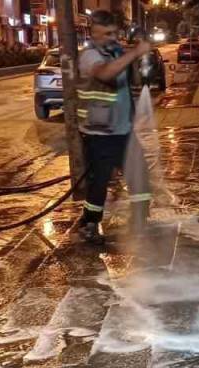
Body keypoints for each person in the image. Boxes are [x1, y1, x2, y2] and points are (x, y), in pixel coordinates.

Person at [76, 10, 152, 244]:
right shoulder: (89, 56)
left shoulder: (117, 51)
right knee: (99, 181)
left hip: (124, 130)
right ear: (94, 32)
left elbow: (136, 80)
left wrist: (139, 59)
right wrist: (134, 53)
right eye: (104, 34)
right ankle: (90, 223)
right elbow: (106, 73)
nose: (110, 37)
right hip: (99, 132)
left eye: (113, 33)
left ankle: (140, 220)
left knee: (139, 174)